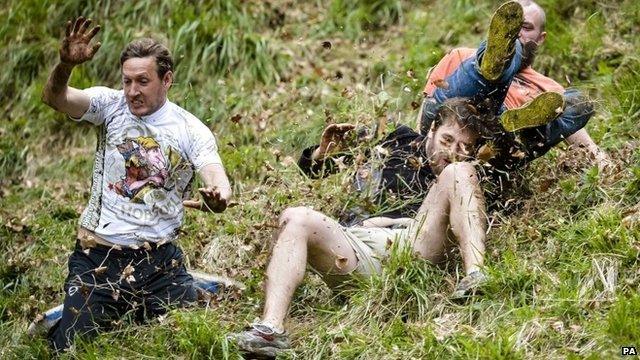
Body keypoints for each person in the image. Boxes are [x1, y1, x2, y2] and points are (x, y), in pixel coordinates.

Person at [231, 98, 496, 357]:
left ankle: (475, 275)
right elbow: (313, 171)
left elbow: (473, 200)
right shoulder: (401, 140)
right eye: (446, 140)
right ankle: (270, 330)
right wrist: (323, 154)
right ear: (431, 131)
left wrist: (463, 167)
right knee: (296, 216)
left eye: (464, 147)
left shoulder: (463, 171)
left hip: (416, 242)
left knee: (458, 172)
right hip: (357, 246)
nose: (452, 152)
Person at [40, 17, 231, 352]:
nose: (132, 91)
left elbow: (213, 170)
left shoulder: (189, 128)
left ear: (167, 79)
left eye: (142, 81)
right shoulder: (109, 106)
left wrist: (219, 195)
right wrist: (66, 65)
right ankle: (70, 314)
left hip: (160, 263)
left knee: (191, 340)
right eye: (127, 81)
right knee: (70, 348)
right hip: (99, 257)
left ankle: (177, 290)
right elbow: (55, 98)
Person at [419, 0, 611, 173]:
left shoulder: (548, 89)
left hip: (491, 156)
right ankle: (492, 67)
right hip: (446, 132)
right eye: (513, 25)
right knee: (481, 78)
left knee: (574, 105)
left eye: (526, 28)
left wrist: (605, 165)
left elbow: (587, 147)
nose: (518, 33)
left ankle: (520, 128)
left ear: (541, 38)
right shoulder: (461, 56)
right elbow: (426, 114)